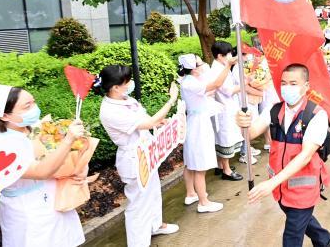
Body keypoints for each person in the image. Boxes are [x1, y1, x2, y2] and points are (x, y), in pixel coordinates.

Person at [235, 64, 330, 247]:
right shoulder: (274, 110)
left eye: (293, 83)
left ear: (306, 86)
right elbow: (250, 134)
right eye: (284, 83)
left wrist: (271, 183)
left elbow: (305, 156)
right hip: (281, 188)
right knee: (299, 218)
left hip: (303, 188)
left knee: (291, 237)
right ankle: (323, 239)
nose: (287, 88)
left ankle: (322, 240)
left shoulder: (316, 115)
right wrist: (242, 123)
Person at [0, 84, 85, 246]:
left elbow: (66, 156)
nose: (34, 108)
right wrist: (68, 140)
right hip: (27, 210)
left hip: (57, 200)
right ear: (5, 116)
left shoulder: (37, 127)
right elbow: (41, 171)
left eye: (33, 102)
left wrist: (80, 170)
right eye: (27, 106)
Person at [97, 66, 180, 246]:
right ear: (115, 87)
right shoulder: (110, 111)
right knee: (138, 204)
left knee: (153, 192)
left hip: (147, 151)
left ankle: (155, 225)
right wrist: (171, 100)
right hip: (133, 158)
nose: (130, 84)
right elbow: (148, 122)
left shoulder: (126, 99)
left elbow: (146, 121)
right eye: (126, 82)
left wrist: (160, 122)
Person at [178, 53, 232, 213]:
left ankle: (191, 193)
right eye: (199, 64)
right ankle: (204, 202)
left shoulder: (189, 81)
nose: (202, 66)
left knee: (190, 162)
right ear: (194, 69)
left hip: (195, 122)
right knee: (200, 165)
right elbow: (216, 84)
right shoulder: (191, 84)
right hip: (198, 125)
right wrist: (228, 66)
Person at [209, 42, 245, 181]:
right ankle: (227, 170)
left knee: (223, 139)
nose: (231, 55)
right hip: (224, 110)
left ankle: (220, 166)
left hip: (226, 108)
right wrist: (244, 84)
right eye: (228, 53)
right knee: (225, 140)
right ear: (220, 56)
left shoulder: (221, 67)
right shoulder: (218, 70)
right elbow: (228, 91)